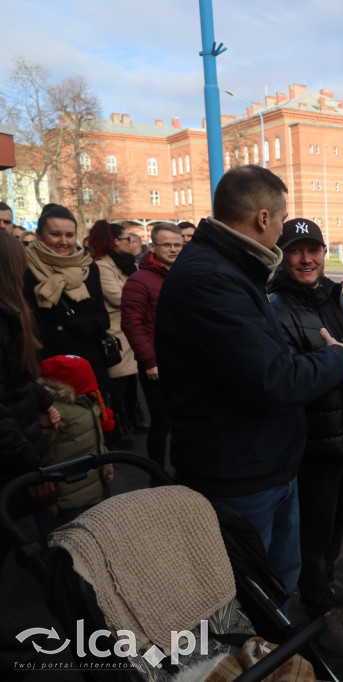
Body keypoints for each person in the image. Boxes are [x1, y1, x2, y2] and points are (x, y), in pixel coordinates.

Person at [154, 165, 343, 598]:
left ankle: (274, 659)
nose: (287, 238)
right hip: (239, 476)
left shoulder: (228, 268)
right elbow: (273, 380)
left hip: (265, 465)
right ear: (264, 219)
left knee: (276, 587)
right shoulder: (212, 278)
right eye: (282, 221)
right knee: (250, 601)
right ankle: (260, 663)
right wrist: (339, 356)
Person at [269, 218, 343, 657]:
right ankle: (317, 608)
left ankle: (326, 579)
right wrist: (340, 357)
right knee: (313, 529)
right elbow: (288, 375)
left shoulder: (335, 294)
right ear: (282, 254)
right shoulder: (274, 305)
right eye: (296, 250)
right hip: (317, 441)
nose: (307, 259)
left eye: (314, 249)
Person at [0, 231, 58, 670]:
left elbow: (15, 384)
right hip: (11, 461)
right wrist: (33, 469)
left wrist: (43, 400)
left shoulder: (9, 316)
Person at [23, 205, 111, 397]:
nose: (64, 241)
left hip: (88, 366)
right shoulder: (24, 268)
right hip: (48, 369)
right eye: (55, 234)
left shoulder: (88, 267)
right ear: (38, 235)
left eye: (70, 235)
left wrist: (86, 325)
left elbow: (103, 317)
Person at [121, 222, 181, 469]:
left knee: (182, 421)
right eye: (167, 244)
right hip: (156, 364)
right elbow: (132, 324)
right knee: (161, 423)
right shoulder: (139, 280)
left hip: (182, 361)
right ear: (153, 246)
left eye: (178, 245)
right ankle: (156, 475)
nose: (173, 249)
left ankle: (181, 473)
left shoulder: (183, 274)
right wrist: (150, 360)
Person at [37, 354, 115, 534]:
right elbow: (43, 447)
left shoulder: (86, 401)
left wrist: (107, 467)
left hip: (94, 484)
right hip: (69, 494)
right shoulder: (55, 412)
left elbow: (98, 440)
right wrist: (45, 426)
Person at [85, 220, 139, 445]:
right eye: (127, 239)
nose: (131, 243)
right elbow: (118, 297)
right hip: (116, 334)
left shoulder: (123, 264)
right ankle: (116, 429)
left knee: (130, 384)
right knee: (116, 386)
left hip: (129, 331)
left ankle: (131, 420)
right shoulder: (102, 266)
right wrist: (140, 293)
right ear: (115, 241)